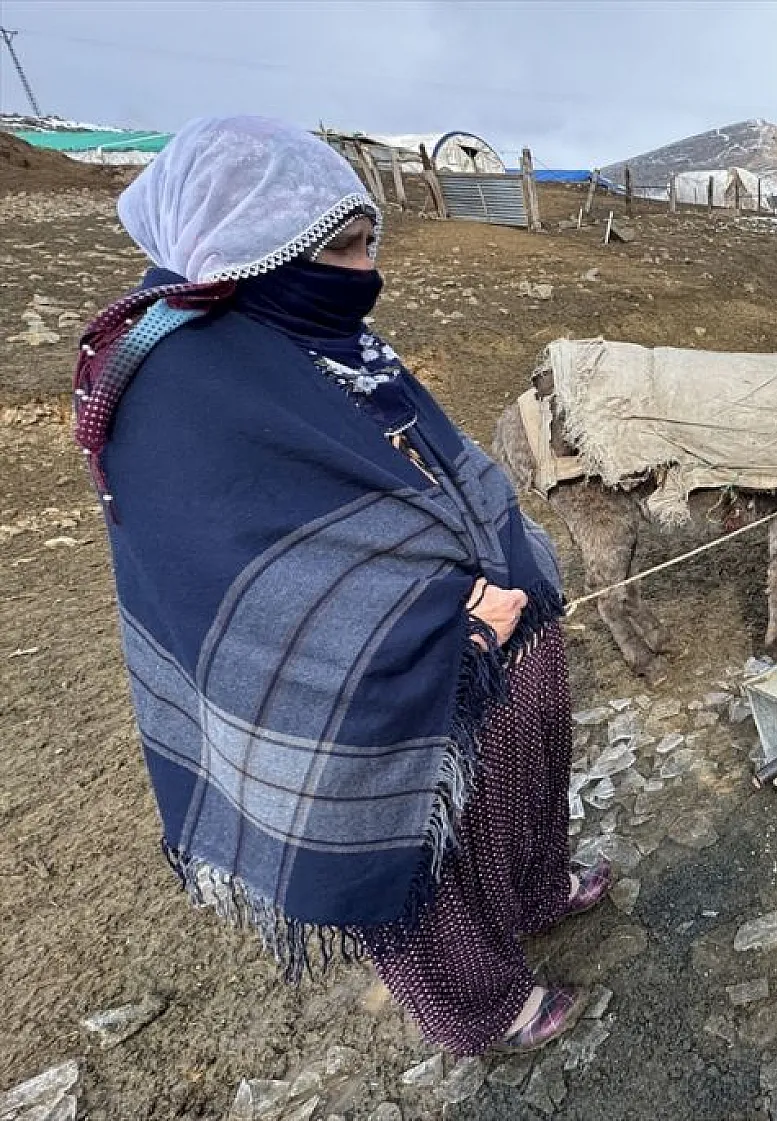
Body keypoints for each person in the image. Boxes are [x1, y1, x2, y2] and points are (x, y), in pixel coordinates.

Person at [75, 116, 608, 1055]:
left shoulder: (307, 330)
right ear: (244, 248)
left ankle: (531, 890)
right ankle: (483, 1008)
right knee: (406, 849)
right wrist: (454, 632)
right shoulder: (177, 393)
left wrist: (505, 572)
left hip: (485, 622)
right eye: (344, 248)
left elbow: (424, 455)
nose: (368, 271)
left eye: (371, 242)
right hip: (369, 681)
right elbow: (263, 596)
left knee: (521, 762)